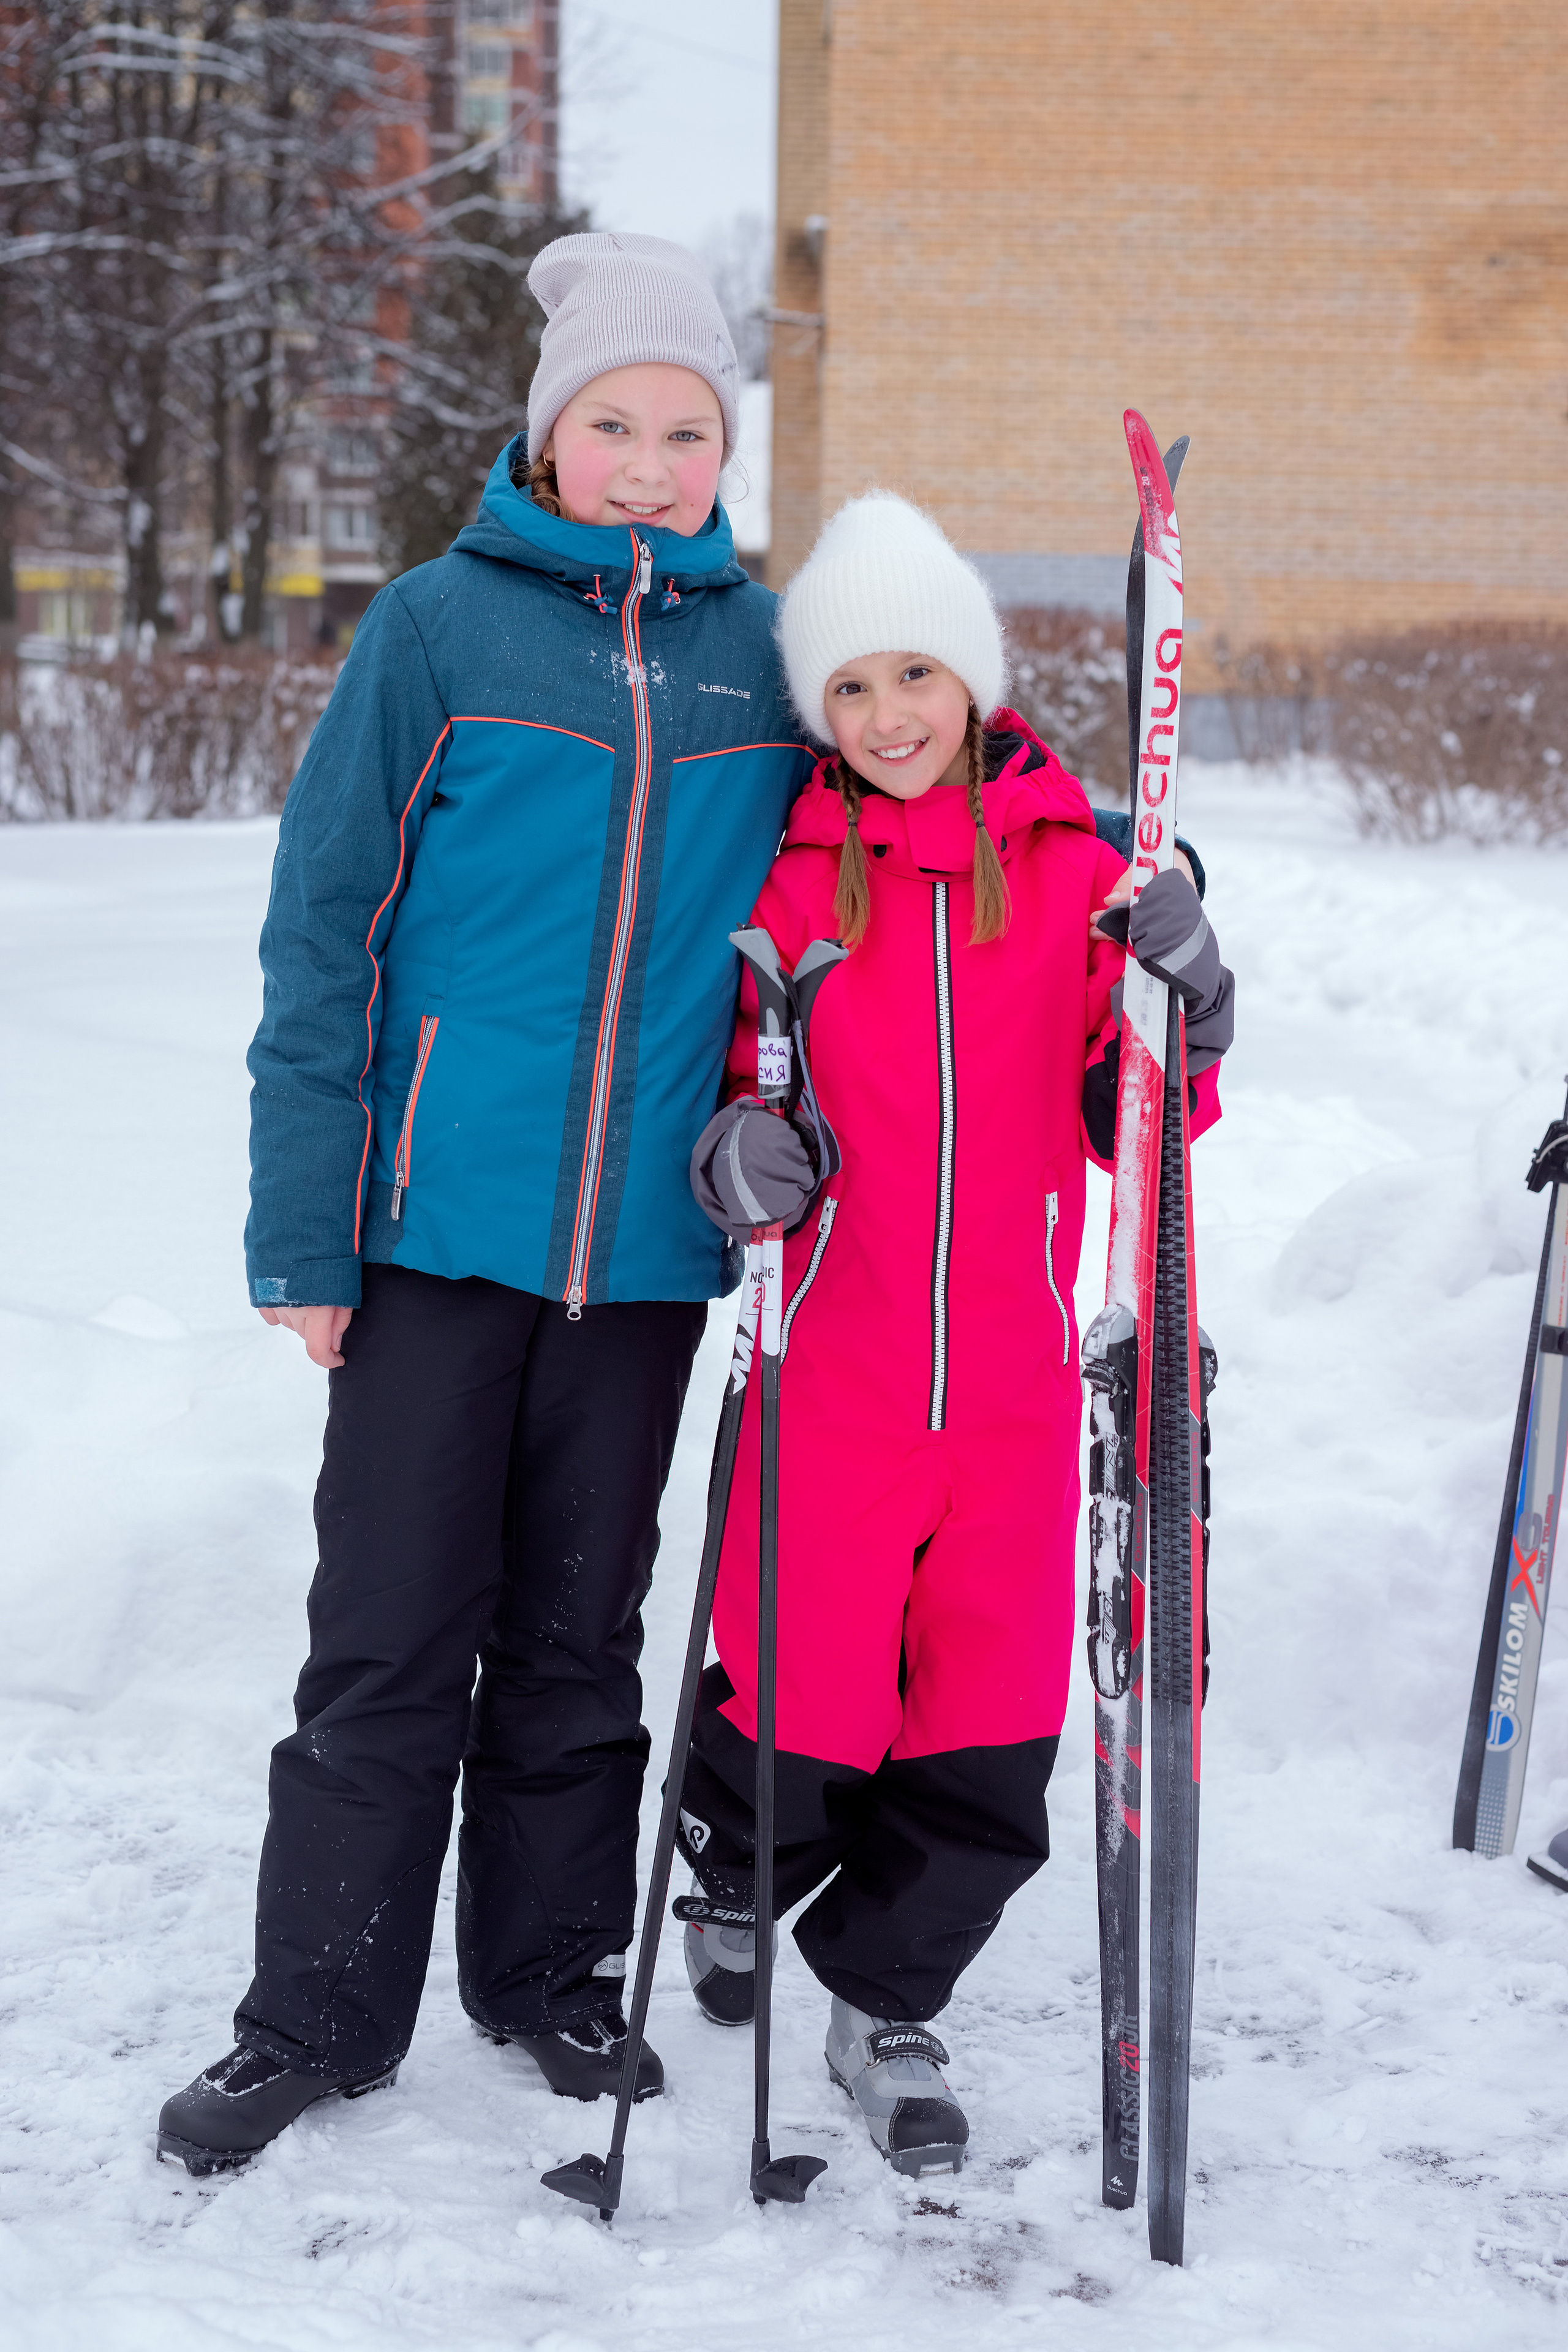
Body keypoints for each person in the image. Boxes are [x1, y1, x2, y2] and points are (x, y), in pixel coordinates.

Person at [155, 232, 819, 2177]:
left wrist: (1109, 865)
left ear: (725, 452)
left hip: (651, 1253)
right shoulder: (437, 631)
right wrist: (306, 1234)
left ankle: (547, 1975)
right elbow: (326, 932)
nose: (649, 464)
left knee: (577, 1640)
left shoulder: (770, 655)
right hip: (432, 1240)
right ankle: (315, 2017)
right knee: (385, 1641)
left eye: (686, 432)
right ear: (546, 435)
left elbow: (921, 778)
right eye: (613, 424)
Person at [679, 493, 1235, 2178]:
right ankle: (737, 1877)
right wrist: (736, 1153)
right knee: (800, 1684)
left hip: (1010, 1381)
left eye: (915, 673)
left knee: (987, 1717)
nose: (888, 715)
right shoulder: (781, 877)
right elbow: (731, 1086)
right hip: (831, 1365)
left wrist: (1189, 1002)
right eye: (850, 688)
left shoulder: (1080, 878)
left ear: (974, 679)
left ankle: (888, 2001)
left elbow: (1132, 1115)